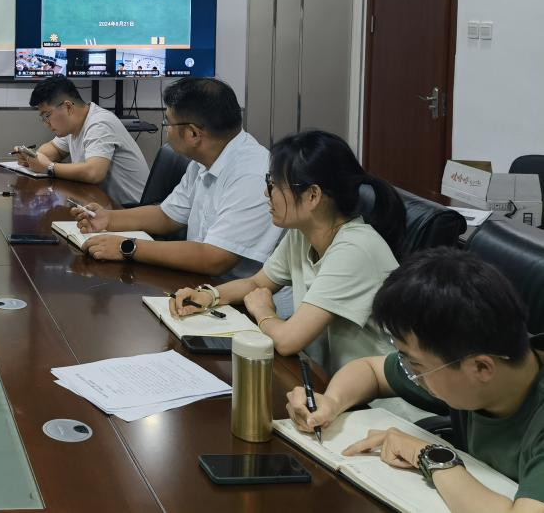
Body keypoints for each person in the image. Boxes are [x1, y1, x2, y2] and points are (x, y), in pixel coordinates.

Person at [287, 249, 544, 513]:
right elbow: (370, 370)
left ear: (481, 367)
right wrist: (331, 402)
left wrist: (430, 455)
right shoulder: (472, 360)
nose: (412, 374)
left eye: (417, 366)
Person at [168, 129, 404, 371]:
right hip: (325, 378)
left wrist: (264, 312)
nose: (266, 193)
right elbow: (256, 283)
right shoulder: (303, 234)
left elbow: (288, 340)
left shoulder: (354, 250)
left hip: (377, 392)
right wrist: (208, 296)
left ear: (312, 195)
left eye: (273, 185)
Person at [72, 76, 279, 277]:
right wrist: (109, 219)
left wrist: (127, 247)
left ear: (193, 134)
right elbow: (167, 216)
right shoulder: (205, 159)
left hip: (241, 295)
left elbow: (215, 259)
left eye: (168, 123)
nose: (167, 130)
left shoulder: (252, 175)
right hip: (201, 281)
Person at [13, 75, 150, 206]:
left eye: (47, 115)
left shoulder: (99, 123)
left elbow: (94, 173)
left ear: (68, 107)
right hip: (103, 206)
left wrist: (49, 167)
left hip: (131, 210)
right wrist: (31, 157)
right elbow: (54, 150)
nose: (46, 123)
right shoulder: (73, 125)